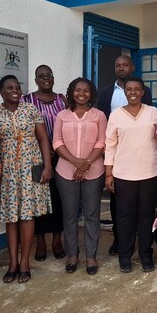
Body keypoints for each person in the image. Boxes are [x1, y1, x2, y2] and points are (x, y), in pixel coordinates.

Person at [0, 75, 52, 284]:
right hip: (6, 171)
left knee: (27, 216)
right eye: (9, 87)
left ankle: (25, 262)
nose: (14, 90)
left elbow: (43, 138)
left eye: (17, 87)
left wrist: (47, 165)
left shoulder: (31, 110)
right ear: (1, 91)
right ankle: (12, 263)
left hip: (30, 168)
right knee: (11, 218)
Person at [104, 77, 157, 273]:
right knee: (124, 217)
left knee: (146, 216)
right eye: (129, 89)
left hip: (151, 173)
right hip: (123, 175)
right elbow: (110, 145)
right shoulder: (115, 115)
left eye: (136, 89)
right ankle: (125, 255)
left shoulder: (153, 112)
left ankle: (146, 254)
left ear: (142, 92)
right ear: (125, 92)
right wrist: (108, 174)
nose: (133, 92)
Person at [98, 55, 153, 255]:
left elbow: (150, 126)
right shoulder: (105, 93)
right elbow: (104, 125)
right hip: (119, 157)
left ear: (132, 67)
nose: (121, 68)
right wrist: (108, 167)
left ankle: (140, 242)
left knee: (142, 208)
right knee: (119, 207)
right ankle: (119, 240)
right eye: (117, 65)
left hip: (143, 159)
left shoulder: (145, 97)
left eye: (125, 65)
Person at [53, 78, 107, 275]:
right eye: (77, 90)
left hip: (94, 171)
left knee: (92, 215)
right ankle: (72, 254)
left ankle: (91, 256)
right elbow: (56, 141)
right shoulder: (62, 115)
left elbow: (102, 142)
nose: (81, 93)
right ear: (71, 92)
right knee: (70, 215)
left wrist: (85, 164)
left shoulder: (99, 115)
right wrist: (76, 162)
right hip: (66, 171)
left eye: (86, 90)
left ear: (91, 93)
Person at [22, 65, 67, 262]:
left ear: (53, 78)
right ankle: (40, 241)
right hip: (36, 158)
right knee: (39, 199)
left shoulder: (62, 100)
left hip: (62, 157)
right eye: (41, 76)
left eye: (49, 75)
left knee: (59, 200)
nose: (45, 78)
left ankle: (57, 239)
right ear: (35, 79)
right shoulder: (26, 100)